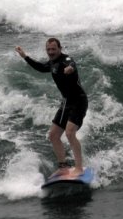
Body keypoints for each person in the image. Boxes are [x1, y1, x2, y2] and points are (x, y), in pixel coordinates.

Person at [15, 38, 88, 177]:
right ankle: (63, 166)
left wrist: (70, 69)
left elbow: (71, 63)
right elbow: (41, 67)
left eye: (53, 49)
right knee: (53, 135)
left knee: (70, 133)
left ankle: (79, 168)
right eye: (48, 49)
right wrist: (24, 56)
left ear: (59, 48)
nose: (51, 52)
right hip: (66, 102)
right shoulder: (52, 62)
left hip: (79, 101)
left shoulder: (66, 59)